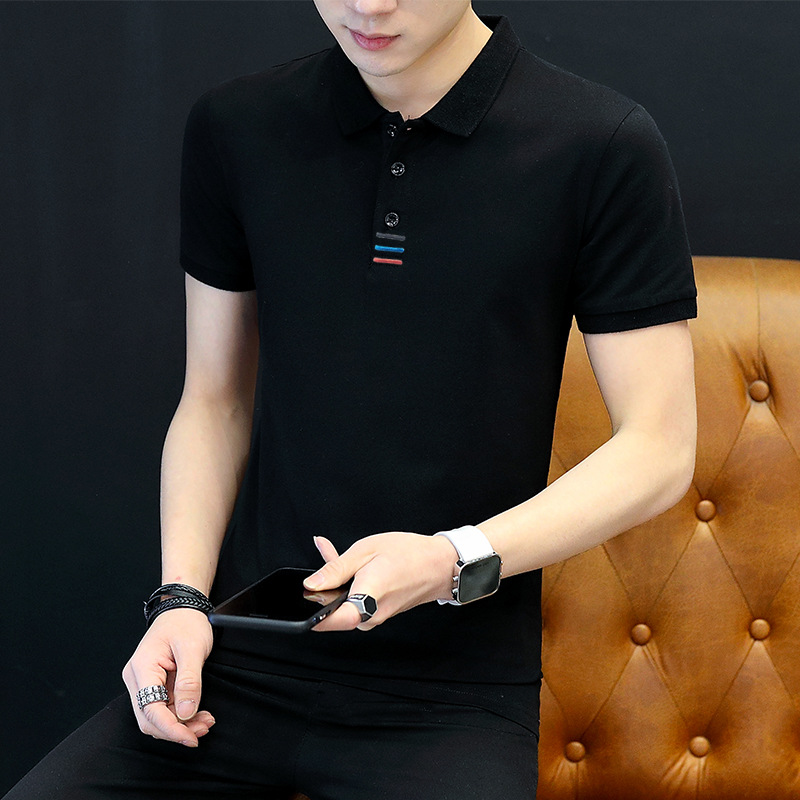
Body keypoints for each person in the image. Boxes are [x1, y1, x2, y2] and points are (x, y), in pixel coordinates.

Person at [4, 1, 697, 798]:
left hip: (448, 698)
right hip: (237, 660)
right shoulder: (239, 126)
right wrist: (181, 601)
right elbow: (214, 401)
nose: (368, 6)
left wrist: (449, 558)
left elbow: (660, 448)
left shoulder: (601, 143)